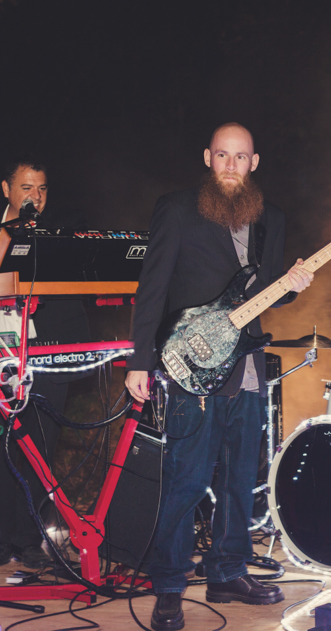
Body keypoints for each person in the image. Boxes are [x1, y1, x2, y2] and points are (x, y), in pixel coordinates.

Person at [125, 123, 313, 631]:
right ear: (208, 157)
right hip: (192, 365)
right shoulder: (177, 208)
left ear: (255, 162)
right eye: (223, 155)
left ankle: (228, 572)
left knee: (239, 480)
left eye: (241, 157)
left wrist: (292, 286)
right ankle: (169, 587)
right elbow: (152, 285)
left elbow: (266, 291)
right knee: (186, 480)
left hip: (246, 364)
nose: (231, 165)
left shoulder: (271, 218)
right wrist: (140, 359)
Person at [0, 156, 90, 569]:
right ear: (6, 189)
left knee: (39, 448)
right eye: (27, 187)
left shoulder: (59, 232)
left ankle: (31, 539)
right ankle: (2, 539)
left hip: (45, 354)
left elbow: (77, 284)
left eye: (42, 188)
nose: (36, 196)